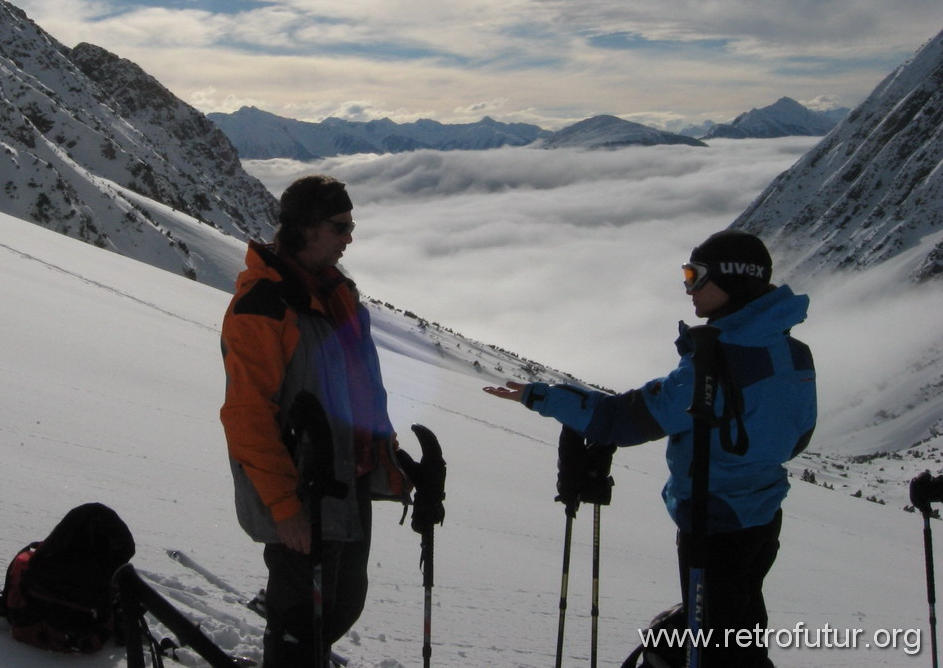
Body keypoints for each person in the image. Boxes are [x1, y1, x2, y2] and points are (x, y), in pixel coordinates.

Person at [484, 230, 817, 667]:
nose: (688, 288)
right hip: (762, 519)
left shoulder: (717, 362)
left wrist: (543, 397)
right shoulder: (793, 352)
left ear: (733, 280)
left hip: (711, 520)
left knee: (710, 650)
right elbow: (797, 438)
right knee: (740, 635)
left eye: (695, 276)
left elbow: (623, 420)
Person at [221, 174, 409, 668]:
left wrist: (395, 465)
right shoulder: (263, 305)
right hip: (302, 491)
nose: (350, 236)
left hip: (350, 480)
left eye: (351, 225)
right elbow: (247, 415)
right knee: (302, 622)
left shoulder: (337, 292)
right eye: (340, 226)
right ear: (306, 228)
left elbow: (363, 392)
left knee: (343, 606)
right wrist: (285, 508)